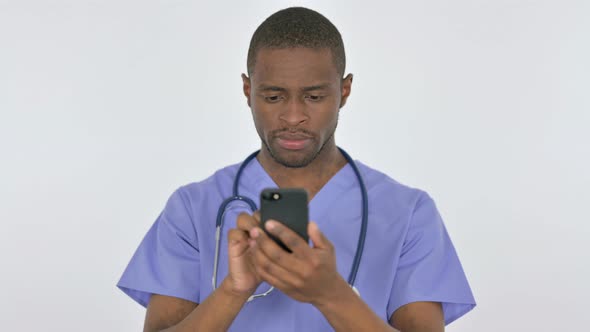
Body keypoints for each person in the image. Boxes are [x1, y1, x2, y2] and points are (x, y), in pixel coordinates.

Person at [117, 7, 476, 332]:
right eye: (273, 97)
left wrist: (332, 295)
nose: (292, 117)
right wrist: (233, 290)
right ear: (247, 90)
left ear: (345, 90)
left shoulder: (409, 212)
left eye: (315, 97)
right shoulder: (192, 208)